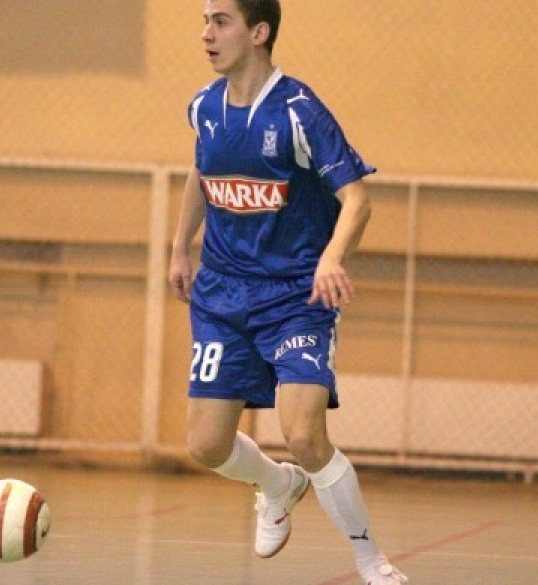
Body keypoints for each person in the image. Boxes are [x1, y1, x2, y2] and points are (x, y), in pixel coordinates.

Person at [167, 1, 408, 583]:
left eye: (220, 21)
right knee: (206, 446)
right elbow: (202, 171)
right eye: (204, 21)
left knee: (302, 432)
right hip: (222, 294)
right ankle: (277, 485)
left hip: (295, 295)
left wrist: (332, 257)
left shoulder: (299, 112)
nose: (206, 34)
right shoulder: (204, 107)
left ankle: (371, 560)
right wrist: (179, 247)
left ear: (259, 32)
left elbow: (357, 199)